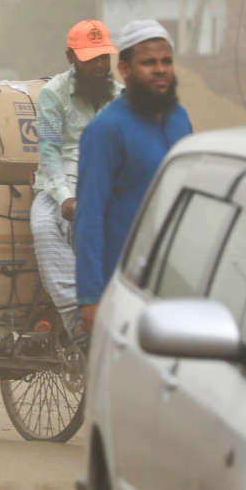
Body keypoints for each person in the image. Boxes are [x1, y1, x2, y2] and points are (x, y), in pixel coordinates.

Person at [75, 20, 193, 331]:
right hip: (126, 283)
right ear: (125, 69)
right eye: (148, 62)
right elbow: (90, 215)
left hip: (176, 276)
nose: (160, 70)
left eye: (166, 61)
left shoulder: (180, 119)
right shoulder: (106, 130)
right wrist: (90, 297)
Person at [31, 20, 122, 338]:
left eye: (103, 57)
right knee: (44, 227)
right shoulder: (52, 95)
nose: (99, 65)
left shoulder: (122, 98)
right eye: (90, 58)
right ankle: (78, 324)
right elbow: (50, 151)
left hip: (108, 188)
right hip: (58, 189)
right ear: (71, 58)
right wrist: (66, 197)